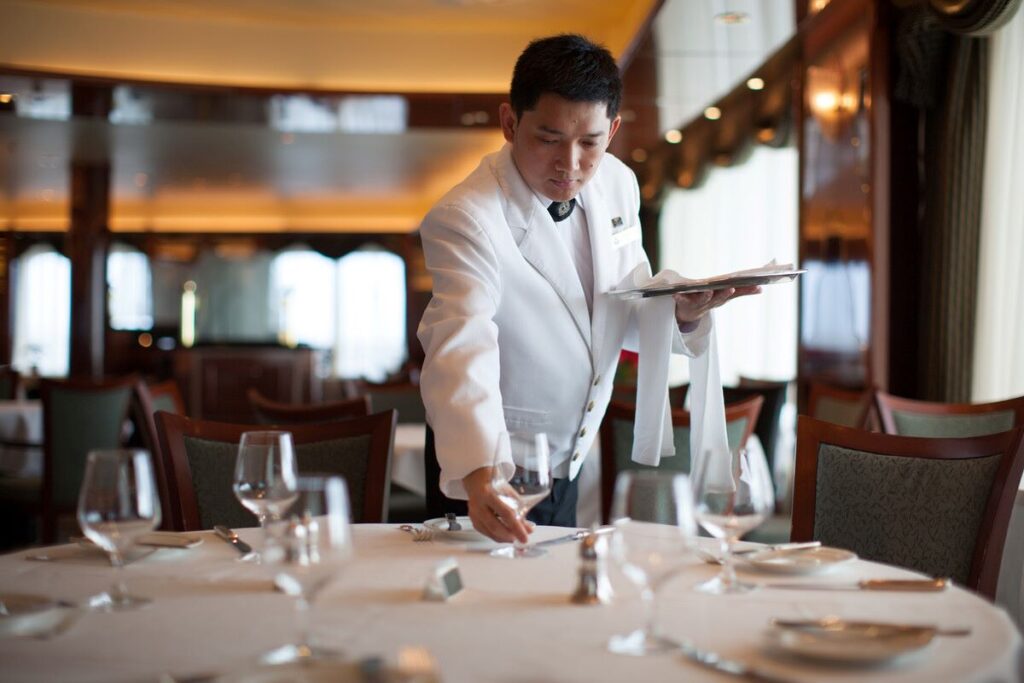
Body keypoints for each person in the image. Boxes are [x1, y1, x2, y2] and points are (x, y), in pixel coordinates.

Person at [417, 34, 757, 544]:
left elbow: (621, 301)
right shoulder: (466, 217)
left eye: (590, 142)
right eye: (548, 139)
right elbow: (460, 344)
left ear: (613, 130)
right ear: (510, 123)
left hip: (570, 462)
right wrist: (483, 475)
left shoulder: (617, 183)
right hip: (486, 466)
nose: (570, 165)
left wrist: (680, 313)